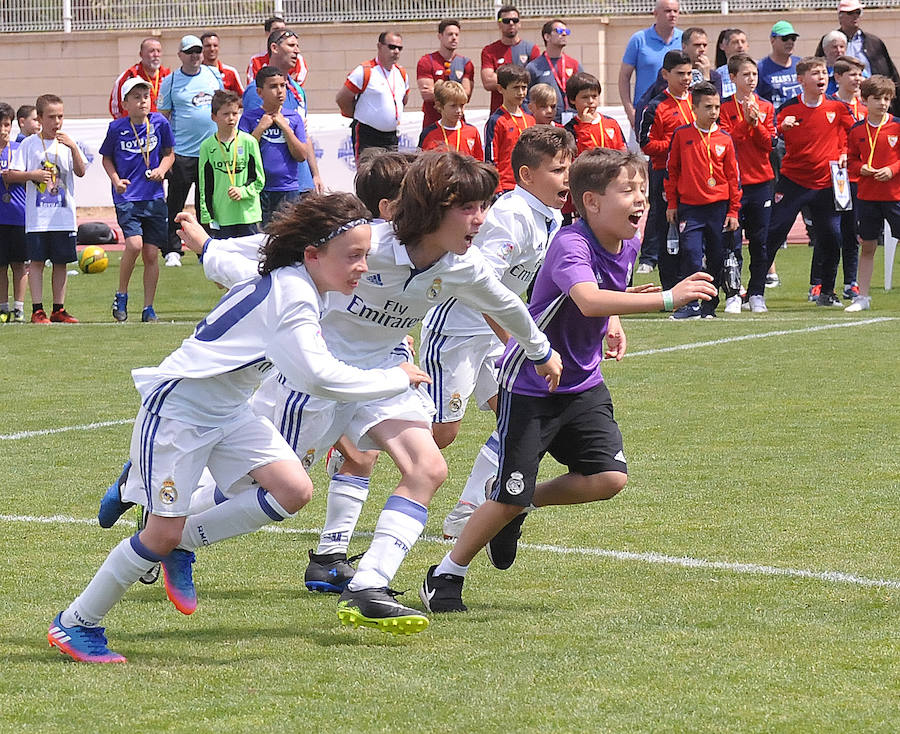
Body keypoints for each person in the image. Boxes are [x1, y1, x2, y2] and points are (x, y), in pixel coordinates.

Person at [47, 193, 432, 664]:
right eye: (353, 256)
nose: (363, 267)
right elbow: (317, 376)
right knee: (159, 535)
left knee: (292, 489)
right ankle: (76, 623)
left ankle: (179, 537)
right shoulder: (294, 296)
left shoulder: (298, 283)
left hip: (229, 410)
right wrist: (394, 377)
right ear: (312, 255)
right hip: (180, 412)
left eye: (365, 255)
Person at [419, 148, 716, 614]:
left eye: (644, 190)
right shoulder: (570, 243)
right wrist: (666, 299)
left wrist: (616, 316)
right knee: (501, 490)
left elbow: (602, 299)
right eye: (628, 191)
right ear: (592, 202)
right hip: (533, 385)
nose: (641, 200)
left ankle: (518, 504)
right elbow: (586, 297)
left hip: (583, 384)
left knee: (608, 478)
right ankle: (445, 574)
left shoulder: (628, 239)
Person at [432, 126, 576, 538]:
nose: (567, 178)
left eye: (569, 168)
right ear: (527, 176)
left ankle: (467, 511)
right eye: (557, 170)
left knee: (516, 418)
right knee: (442, 435)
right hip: (459, 330)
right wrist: (517, 342)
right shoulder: (512, 216)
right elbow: (482, 287)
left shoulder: (549, 215)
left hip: (492, 333)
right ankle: (358, 436)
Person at [764, 56, 855, 307]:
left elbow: (854, 133)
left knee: (831, 238)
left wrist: (846, 152)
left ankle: (826, 291)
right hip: (794, 182)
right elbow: (770, 134)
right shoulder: (788, 108)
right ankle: (755, 291)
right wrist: (782, 127)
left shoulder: (836, 107)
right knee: (774, 233)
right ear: (801, 80)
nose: (822, 78)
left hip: (827, 184)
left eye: (824, 73)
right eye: (815, 73)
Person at [99, 78, 175, 323]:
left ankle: (148, 307)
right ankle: (121, 294)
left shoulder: (160, 123)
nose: (142, 101)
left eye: (145, 95)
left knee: (152, 254)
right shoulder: (117, 128)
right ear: (125, 103)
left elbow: (169, 154)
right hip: (128, 197)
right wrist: (116, 180)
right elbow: (106, 158)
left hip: (153, 197)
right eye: (136, 97)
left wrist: (162, 170)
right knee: (134, 245)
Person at [6, 94, 86, 324]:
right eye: (51, 117)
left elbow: (80, 171)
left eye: (60, 116)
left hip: (63, 216)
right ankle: (37, 310)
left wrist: (72, 147)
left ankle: (59, 309)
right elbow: (11, 175)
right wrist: (33, 175)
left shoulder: (68, 142)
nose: (57, 122)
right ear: (40, 118)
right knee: (38, 263)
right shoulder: (29, 144)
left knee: (61, 263)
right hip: (38, 218)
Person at [665, 82, 741, 319]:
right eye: (708, 107)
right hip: (691, 208)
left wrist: (733, 211)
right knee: (691, 253)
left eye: (717, 107)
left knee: (717, 256)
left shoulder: (725, 139)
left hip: (719, 208)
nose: (714, 112)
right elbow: (672, 171)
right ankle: (690, 304)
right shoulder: (682, 135)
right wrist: (672, 203)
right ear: (694, 109)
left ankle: (710, 305)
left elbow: (733, 177)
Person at [157, 34, 223, 266]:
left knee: (206, 204)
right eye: (190, 52)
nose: (195, 56)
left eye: (198, 51)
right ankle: (172, 249)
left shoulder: (213, 75)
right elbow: (162, 119)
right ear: (180, 55)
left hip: (210, 152)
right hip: (182, 153)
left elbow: (223, 107)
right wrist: (165, 153)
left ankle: (204, 247)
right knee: (175, 203)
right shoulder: (171, 81)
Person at [718, 54, 777, 314]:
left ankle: (757, 293)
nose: (751, 79)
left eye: (754, 74)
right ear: (732, 78)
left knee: (760, 241)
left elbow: (769, 144)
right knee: (731, 241)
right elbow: (727, 142)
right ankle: (733, 292)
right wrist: (745, 123)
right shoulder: (723, 108)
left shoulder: (765, 106)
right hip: (734, 183)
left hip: (761, 181)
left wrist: (757, 124)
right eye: (745, 75)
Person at [243, 30, 321, 199]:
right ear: (274, 48)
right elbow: (252, 139)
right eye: (291, 45)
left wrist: (314, 174)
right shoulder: (256, 91)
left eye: (298, 46)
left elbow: (304, 135)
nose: (297, 51)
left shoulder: (297, 89)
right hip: (272, 189)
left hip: (302, 182)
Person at [638, 50, 694, 284]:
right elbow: (646, 144)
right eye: (680, 73)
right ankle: (670, 284)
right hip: (665, 174)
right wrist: (675, 145)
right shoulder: (655, 106)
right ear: (665, 74)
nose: (686, 78)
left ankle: (695, 280)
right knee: (666, 227)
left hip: (695, 174)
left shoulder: (697, 100)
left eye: (689, 73)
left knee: (692, 228)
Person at [846, 74, 900, 311]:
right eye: (877, 98)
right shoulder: (857, 130)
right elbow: (851, 161)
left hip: (895, 196)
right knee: (867, 245)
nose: (883, 103)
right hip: (867, 197)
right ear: (865, 100)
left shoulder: (897, 125)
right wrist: (862, 169)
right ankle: (862, 297)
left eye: (887, 98)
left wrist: (892, 169)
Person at [239, 66, 309, 226]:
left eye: (282, 86)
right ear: (259, 92)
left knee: (287, 237)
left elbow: (301, 155)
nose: (279, 91)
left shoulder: (293, 117)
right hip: (258, 189)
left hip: (287, 188)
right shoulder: (249, 118)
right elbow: (241, 153)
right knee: (260, 239)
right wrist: (260, 129)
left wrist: (285, 128)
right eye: (273, 86)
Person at [198, 90, 264, 237]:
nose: (231, 118)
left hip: (248, 215)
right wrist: (206, 214)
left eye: (234, 113)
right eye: (226, 114)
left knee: (250, 258)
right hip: (222, 216)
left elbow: (259, 180)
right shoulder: (207, 146)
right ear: (214, 117)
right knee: (225, 258)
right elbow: (205, 184)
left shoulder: (249, 142)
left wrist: (243, 191)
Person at [815, 0, 900, 113]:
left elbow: (890, 74)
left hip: (874, 105)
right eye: (850, 13)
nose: (855, 16)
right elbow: (817, 69)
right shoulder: (830, 40)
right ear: (840, 17)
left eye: (858, 12)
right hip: (838, 105)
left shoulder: (874, 42)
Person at [633, 26, 719, 137]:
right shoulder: (669, 71)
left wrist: (706, 78)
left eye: (705, 45)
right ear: (684, 46)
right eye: (697, 45)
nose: (702, 49)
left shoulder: (714, 76)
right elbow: (667, 98)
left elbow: (715, 105)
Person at [336, 31, 410, 161]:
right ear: (380, 46)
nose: (396, 51)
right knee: (369, 177)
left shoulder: (401, 73)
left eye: (400, 48)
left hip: (391, 136)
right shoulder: (364, 71)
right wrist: (359, 115)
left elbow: (404, 99)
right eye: (392, 47)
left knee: (393, 177)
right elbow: (342, 98)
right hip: (368, 134)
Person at [618, 0, 682, 134]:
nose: (672, 15)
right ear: (655, 13)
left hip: (678, 112)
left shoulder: (684, 39)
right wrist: (630, 111)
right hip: (645, 112)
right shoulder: (639, 39)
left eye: (675, 11)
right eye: (667, 11)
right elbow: (624, 77)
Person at [485, 64, 535, 194]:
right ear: (501, 89)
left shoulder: (530, 119)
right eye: (515, 88)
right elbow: (491, 158)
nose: (520, 92)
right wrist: (497, 189)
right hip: (506, 187)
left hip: (529, 185)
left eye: (524, 87)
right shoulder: (496, 121)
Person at [416, 19, 475, 130]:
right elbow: (427, 94)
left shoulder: (466, 63)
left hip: (458, 123)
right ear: (440, 36)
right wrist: (456, 93)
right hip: (433, 123)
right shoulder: (426, 61)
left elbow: (466, 94)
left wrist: (439, 90)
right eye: (449, 34)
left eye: (457, 34)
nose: (454, 37)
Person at [480, 6, 540, 113]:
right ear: (499, 24)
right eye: (506, 21)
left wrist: (502, 78)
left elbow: (535, 80)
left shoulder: (532, 49)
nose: (511, 23)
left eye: (515, 20)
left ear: (520, 23)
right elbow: (488, 82)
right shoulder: (489, 51)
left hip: (526, 112)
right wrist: (522, 76)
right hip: (500, 113)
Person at [0, 102, 27, 323]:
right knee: (0, 266)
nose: (3, 130)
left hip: (19, 215)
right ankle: (3, 307)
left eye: (6, 125)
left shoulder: (20, 150)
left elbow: (33, 175)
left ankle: (19, 308)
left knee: (20, 264)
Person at [526, 19, 582, 125]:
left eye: (567, 32)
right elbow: (526, 98)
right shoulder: (533, 67)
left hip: (572, 119)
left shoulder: (574, 64)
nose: (564, 34)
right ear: (547, 37)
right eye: (559, 31)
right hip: (546, 123)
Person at [418, 81, 483, 160]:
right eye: (453, 106)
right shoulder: (429, 133)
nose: (459, 110)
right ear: (440, 106)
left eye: (462, 105)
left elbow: (479, 162)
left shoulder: (472, 131)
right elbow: (421, 165)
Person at [564, 72, 627, 154]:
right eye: (585, 97)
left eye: (594, 96)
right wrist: (585, 126)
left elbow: (622, 151)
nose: (590, 101)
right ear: (572, 100)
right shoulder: (570, 128)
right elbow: (582, 156)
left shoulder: (611, 123)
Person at [110, 38, 171, 120]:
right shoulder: (129, 76)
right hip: (135, 129)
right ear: (141, 54)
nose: (156, 54)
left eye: (158, 51)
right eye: (151, 51)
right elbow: (116, 107)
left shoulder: (168, 77)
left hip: (160, 128)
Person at [246, 16, 309, 87]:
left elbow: (297, 86)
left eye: (284, 30)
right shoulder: (256, 60)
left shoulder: (297, 59)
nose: (281, 33)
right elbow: (255, 86)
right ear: (267, 33)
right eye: (276, 29)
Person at [713, 28, 749, 99]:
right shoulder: (719, 74)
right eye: (735, 42)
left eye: (743, 41)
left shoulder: (758, 68)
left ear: (748, 46)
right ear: (724, 46)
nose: (740, 46)